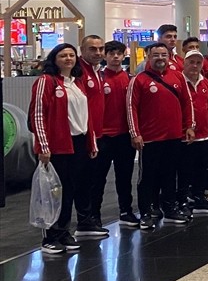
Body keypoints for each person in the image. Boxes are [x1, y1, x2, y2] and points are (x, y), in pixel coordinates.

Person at [28, 44, 99, 254]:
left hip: (78, 143)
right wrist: (43, 145)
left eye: (71, 55)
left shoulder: (76, 83)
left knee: (70, 189)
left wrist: (91, 142)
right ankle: (50, 236)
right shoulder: (46, 81)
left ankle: (64, 231)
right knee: (54, 192)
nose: (68, 59)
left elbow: (87, 116)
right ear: (54, 58)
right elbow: (38, 115)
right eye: (63, 55)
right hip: (57, 145)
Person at [127, 42, 193, 228]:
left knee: (170, 175)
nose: (160, 58)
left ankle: (170, 208)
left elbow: (187, 103)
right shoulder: (139, 80)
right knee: (147, 177)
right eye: (156, 55)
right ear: (148, 56)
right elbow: (131, 108)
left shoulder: (178, 77)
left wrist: (189, 126)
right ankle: (146, 212)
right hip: (149, 139)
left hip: (173, 137)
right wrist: (135, 133)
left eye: (163, 55)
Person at [97, 40, 138, 227]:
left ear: (124, 55)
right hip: (102, 137)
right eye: (111, 53)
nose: (115, 57)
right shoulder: (98, 78)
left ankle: (126, 210)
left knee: (124, 176)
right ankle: (93, 216)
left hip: (124, 136)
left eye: (118, 53)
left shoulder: (130, 79)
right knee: (97, 178)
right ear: (105, 56)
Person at [70, 35, 108, 239]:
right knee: (83, 181)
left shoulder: (97, 72)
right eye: (93, 49)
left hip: (99, 134)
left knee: (96, 180)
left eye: (101, 48)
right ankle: (84, 221)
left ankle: (92, 218)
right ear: (82, 51)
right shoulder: (79, 73)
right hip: (85, 136)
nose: (98, 52)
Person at [180, 50, 208, 215]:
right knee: (183, 170)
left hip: (204, 135)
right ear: (185, 63)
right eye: (191, 62)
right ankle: (182, 200)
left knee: (201, 169)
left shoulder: (207, 85)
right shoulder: (179, 82)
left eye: (198, 62)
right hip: (185, 136)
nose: (194, 66)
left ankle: (198, 198)